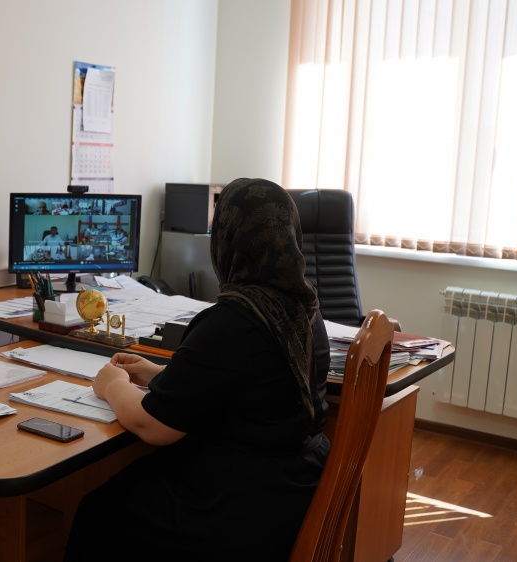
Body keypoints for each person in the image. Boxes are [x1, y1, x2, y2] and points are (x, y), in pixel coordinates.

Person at [64, 178, 332, 561]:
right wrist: (158, 373)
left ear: (225, 239)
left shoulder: (232, 319)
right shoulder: (304, 309)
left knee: (98, 510)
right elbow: (250, 389)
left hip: (235, 506)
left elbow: (152, 427)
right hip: (295, 487)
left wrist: (112, 384)